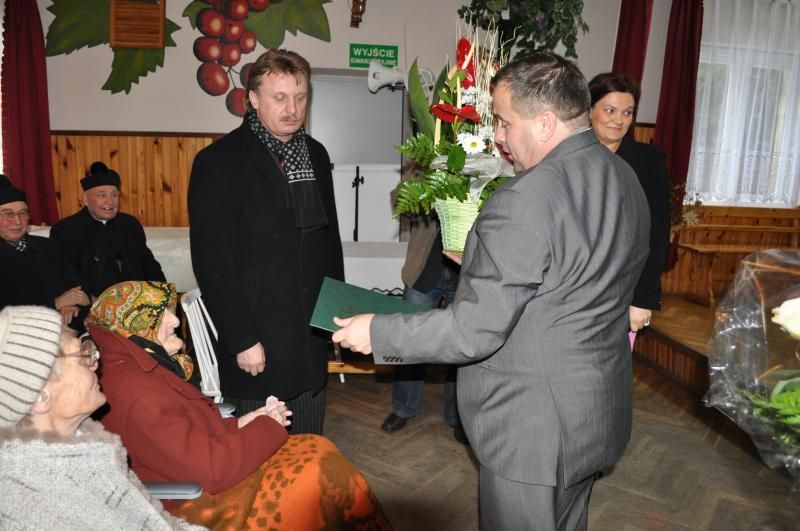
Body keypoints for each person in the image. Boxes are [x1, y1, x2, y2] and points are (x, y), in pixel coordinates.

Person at [333, 52, 650, 530]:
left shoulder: (526, 196)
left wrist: (377, 332)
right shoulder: (623, 175)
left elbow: (473, 331)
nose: (498, 136)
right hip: (593, 410)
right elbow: (576, 273)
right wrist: (484, 260)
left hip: (533, 425)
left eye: (504, 122)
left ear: (545, 123)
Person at [87, 280, 389, 530]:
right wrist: (267, 425)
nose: (175, 319)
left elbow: (186, 439)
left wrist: (244, 422)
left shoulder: (133, 368)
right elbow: (211, 470)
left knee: (319, 450)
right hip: (196, 503)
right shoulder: (138, 394)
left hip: (206, 470)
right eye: (160, 313)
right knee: (319, 477)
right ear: (136, 324)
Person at [188, 49, 344, 432]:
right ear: (254, 99)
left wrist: (335, 317)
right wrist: (241, 339)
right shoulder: (218, 163)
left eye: (300, 97)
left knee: (308, 447)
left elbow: (329, 244)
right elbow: (213, 263)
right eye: (280, 98)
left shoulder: (315, 155)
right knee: (258, 453)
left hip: (307, 337)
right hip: (257, 338)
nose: (293, 109)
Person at [0, 305, 201, 530]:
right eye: (82, 357)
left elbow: (154, 520)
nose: (95, 364)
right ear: (40, 396)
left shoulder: (88, 444)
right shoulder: (35, 501)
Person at [588, 72, 671, 335]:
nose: (619, 120)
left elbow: (657, 233)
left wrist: (643, 299)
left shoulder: (649, 161)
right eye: (610, 110)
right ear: (589, 110)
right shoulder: (565, 157)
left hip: (623, 289)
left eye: (627, 112)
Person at [380, 213, 463, 442]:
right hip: (424, 270)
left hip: (465, 273)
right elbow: (400, 202)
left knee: (462, 345)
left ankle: (458, 415)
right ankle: (404, 407)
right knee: (407, 341)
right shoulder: (421, 180)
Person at [50, 161, 165, 300]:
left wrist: (161, 295)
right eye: (102, 195)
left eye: (114, 195)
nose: (110, 202)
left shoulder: (130, 224)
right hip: (91, 303)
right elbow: (64, 273)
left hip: (136, 301)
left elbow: (149, 264)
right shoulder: (65, 230)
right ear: (85, 199)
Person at [0, 175, 90, 331]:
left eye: (23, 213)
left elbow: (78, 286)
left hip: (66, 327)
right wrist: (56, 303)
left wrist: (71, 306)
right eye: (8, 214)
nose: (17, 221)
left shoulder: (48, 246)